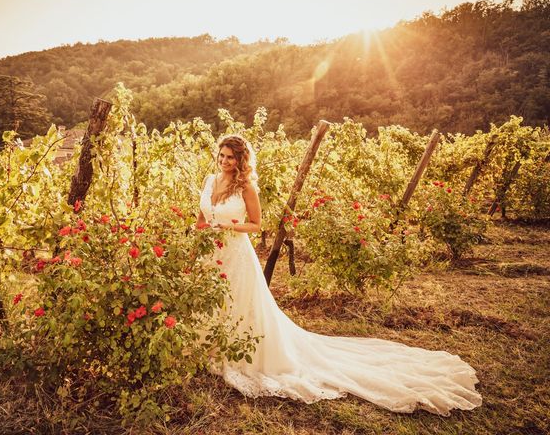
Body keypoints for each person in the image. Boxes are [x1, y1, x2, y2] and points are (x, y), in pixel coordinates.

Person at [197, 134, 482, 415]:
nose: (224, 161)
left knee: (240, 302)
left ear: (240, 159)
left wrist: (228, 228)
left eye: (230, 157)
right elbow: (201, 218)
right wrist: (195, 245)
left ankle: (234, 352)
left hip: (236, 252)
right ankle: (208, 345)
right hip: (210, 251)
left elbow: (257, 224)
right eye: (221, 156)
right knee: (208, 299)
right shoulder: (210, 181)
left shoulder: (246, 187)